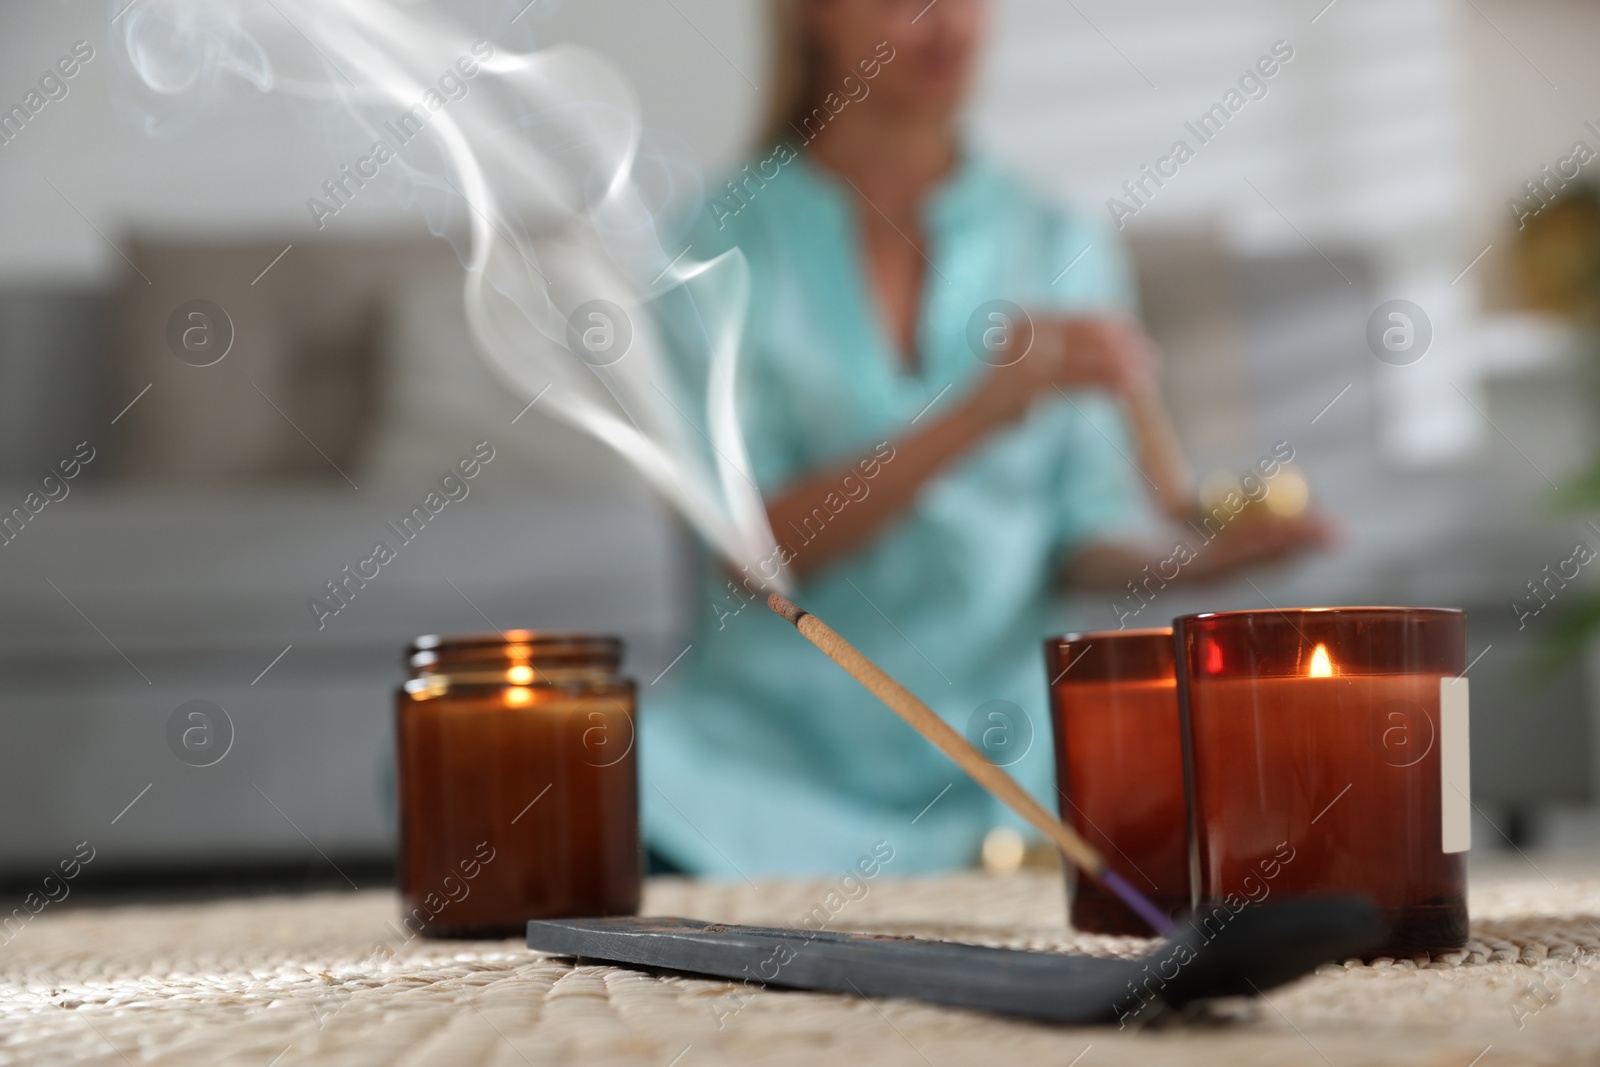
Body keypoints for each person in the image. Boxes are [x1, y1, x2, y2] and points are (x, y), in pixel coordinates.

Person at [640, 0, 1327, 877]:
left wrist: (1200, 567)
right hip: (763, 768)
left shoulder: (1057, 238)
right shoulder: (715, 243)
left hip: (998, 770)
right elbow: (751, 546)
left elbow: (1083, 531)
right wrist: (978, 413)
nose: (946, 23)